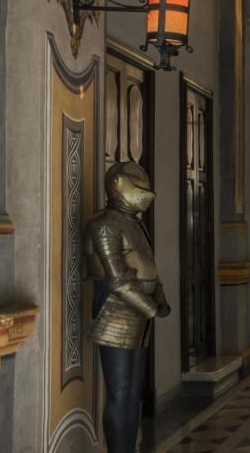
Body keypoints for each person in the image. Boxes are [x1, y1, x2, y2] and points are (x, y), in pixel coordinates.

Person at [84, 161, 168, 453]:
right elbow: (117, 280)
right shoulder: (104, 224)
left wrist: (159, 296)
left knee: (133, 392)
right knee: (119, 391)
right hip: (116, 309)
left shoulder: (133, 223)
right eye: (137, 186)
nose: (145, 193)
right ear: (118, 184)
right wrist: (151, 307)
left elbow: (148, 268)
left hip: (139, 309)